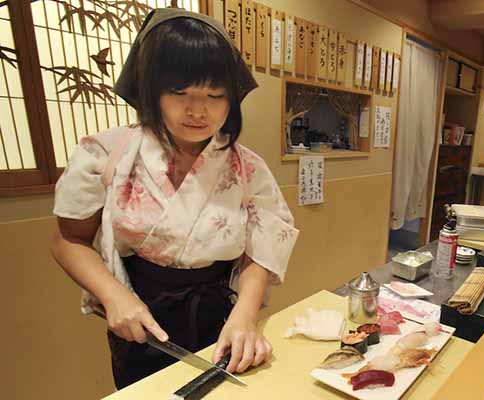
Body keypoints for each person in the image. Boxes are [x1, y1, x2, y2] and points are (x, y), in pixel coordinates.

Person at [50, 9, 299, 389]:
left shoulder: (248, 168)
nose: (198, 110)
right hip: (139, 320)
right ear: (151, 89)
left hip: (223, 319)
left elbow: (261, 250)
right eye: (180, 92)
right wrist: (113, 295)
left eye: (215, 95)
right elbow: (70, 240)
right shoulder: (105, 154)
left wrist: (246, 315)